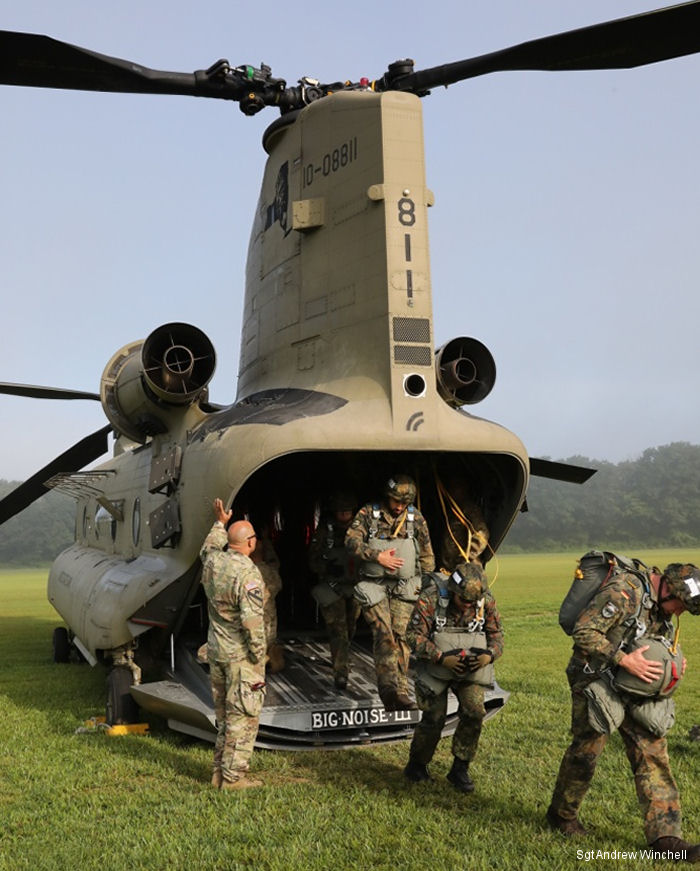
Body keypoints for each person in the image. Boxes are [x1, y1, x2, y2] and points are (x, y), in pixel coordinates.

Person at [547, 561, 700, 861]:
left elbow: (652, 640)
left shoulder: (661, 607)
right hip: (594, 675)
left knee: (653, 751)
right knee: (587, 749)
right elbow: (584, 631)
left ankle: (666, 839)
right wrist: (623, 659)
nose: (679, 612)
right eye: (680, 606)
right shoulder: (624, 592)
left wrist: (672, 662)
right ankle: (562, 815)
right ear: (668, 589)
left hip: (633, 684)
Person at [404, 562, 503, 792]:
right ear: (453, 591)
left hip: (470, 669)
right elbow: (413, 635)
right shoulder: (431, 598)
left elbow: (497, 636)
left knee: (474, 712)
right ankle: (417, 766)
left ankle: (460, 768)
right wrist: (440, 657)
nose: (468, 605)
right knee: (434, 717)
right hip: (436, 668)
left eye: (473, 601)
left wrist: (489, 655)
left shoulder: (485, 601)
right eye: (463, 600)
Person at [345, 474, 435, 711]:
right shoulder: (368, 513)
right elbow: (351, 542)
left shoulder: (416, 518)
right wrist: (377, 557)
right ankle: (388, 691)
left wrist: (427, 588)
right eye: (396, 501)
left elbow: (427, 556)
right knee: (384, 634)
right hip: (374, 585)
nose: (399, 507)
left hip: (405, 587)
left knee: (402, 636)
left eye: (404, 503)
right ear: (387, 496)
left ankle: (401, 692)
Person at [200, 498, 267, 790]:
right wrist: (259, 655)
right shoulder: (248, 573)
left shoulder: (213, 562)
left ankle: (219, 772)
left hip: (217, 651)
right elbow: (252, 622)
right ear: (250, 542)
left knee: (225, 717)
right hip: (240, 657)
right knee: (243, 716)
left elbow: (208, 548)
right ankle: (233, 778)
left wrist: (220, 523)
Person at [308, 491, 362, 690]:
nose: (344, 516)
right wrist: (327, 568)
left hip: (355, 586)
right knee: (338, 630)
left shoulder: (361, 529)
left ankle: (343, 658)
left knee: (351, 626)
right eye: (341, 512)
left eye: (348, 512)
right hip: (333, 586)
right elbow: (312, 559)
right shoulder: (326, 530)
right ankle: (341, 673)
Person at [251, 533, 285, 674]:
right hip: (269, 631)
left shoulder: (246, 574)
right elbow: (274, 562)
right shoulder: (272, 573)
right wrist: (266, 540)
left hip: (253, 633)